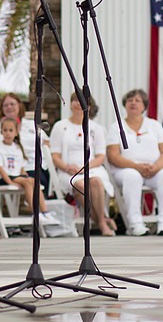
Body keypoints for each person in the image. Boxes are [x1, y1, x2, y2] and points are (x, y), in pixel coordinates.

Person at [50, 91, 116, 236]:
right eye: (75, 101)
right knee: (80, 185)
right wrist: (67, 167)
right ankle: (101, 221)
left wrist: (85, 167)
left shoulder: (96, 128)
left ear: (89, 106)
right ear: (71, 104)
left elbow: (100, 156)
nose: (78, 104)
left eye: (82, 101)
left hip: (91, 168)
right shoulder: (60, 126)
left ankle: (99, 221)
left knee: (97, 182)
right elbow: (54, 156)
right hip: (68, 171)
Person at [106, 88, 163, 236]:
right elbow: (113, 155)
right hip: (126, 169)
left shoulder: (154, 125)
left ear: (144, 106)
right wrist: (136, 166)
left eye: (137, 100)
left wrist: (157, 166)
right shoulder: (116, 127)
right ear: (125, 104)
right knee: (132, 176)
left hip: (153, 169)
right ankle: (135, 224)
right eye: (130, 100)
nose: (133, 103)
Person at [0, 92, 50, 194]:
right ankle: (37, 209)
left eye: (12, 104)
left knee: (45, 180)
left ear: (19, 105)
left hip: (37, 165)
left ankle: (41, 209)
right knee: (37, 182)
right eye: (5, 105)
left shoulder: (31, 125)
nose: (9, 107)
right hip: (14, 170)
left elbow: (46, 141)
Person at [0, 117, 58, 225]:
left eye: (11, 130)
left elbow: (21, 167)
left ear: (16, 132)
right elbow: (0, 168)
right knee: (28, 182)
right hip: (4, 178)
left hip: (16, 176)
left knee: (33, 181)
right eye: (5, 130)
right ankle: (35, 213)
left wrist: (24, 176)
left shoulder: (17, 147)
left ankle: (45, 212)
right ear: (1, 132)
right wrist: (10, 182)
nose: (8, 133)